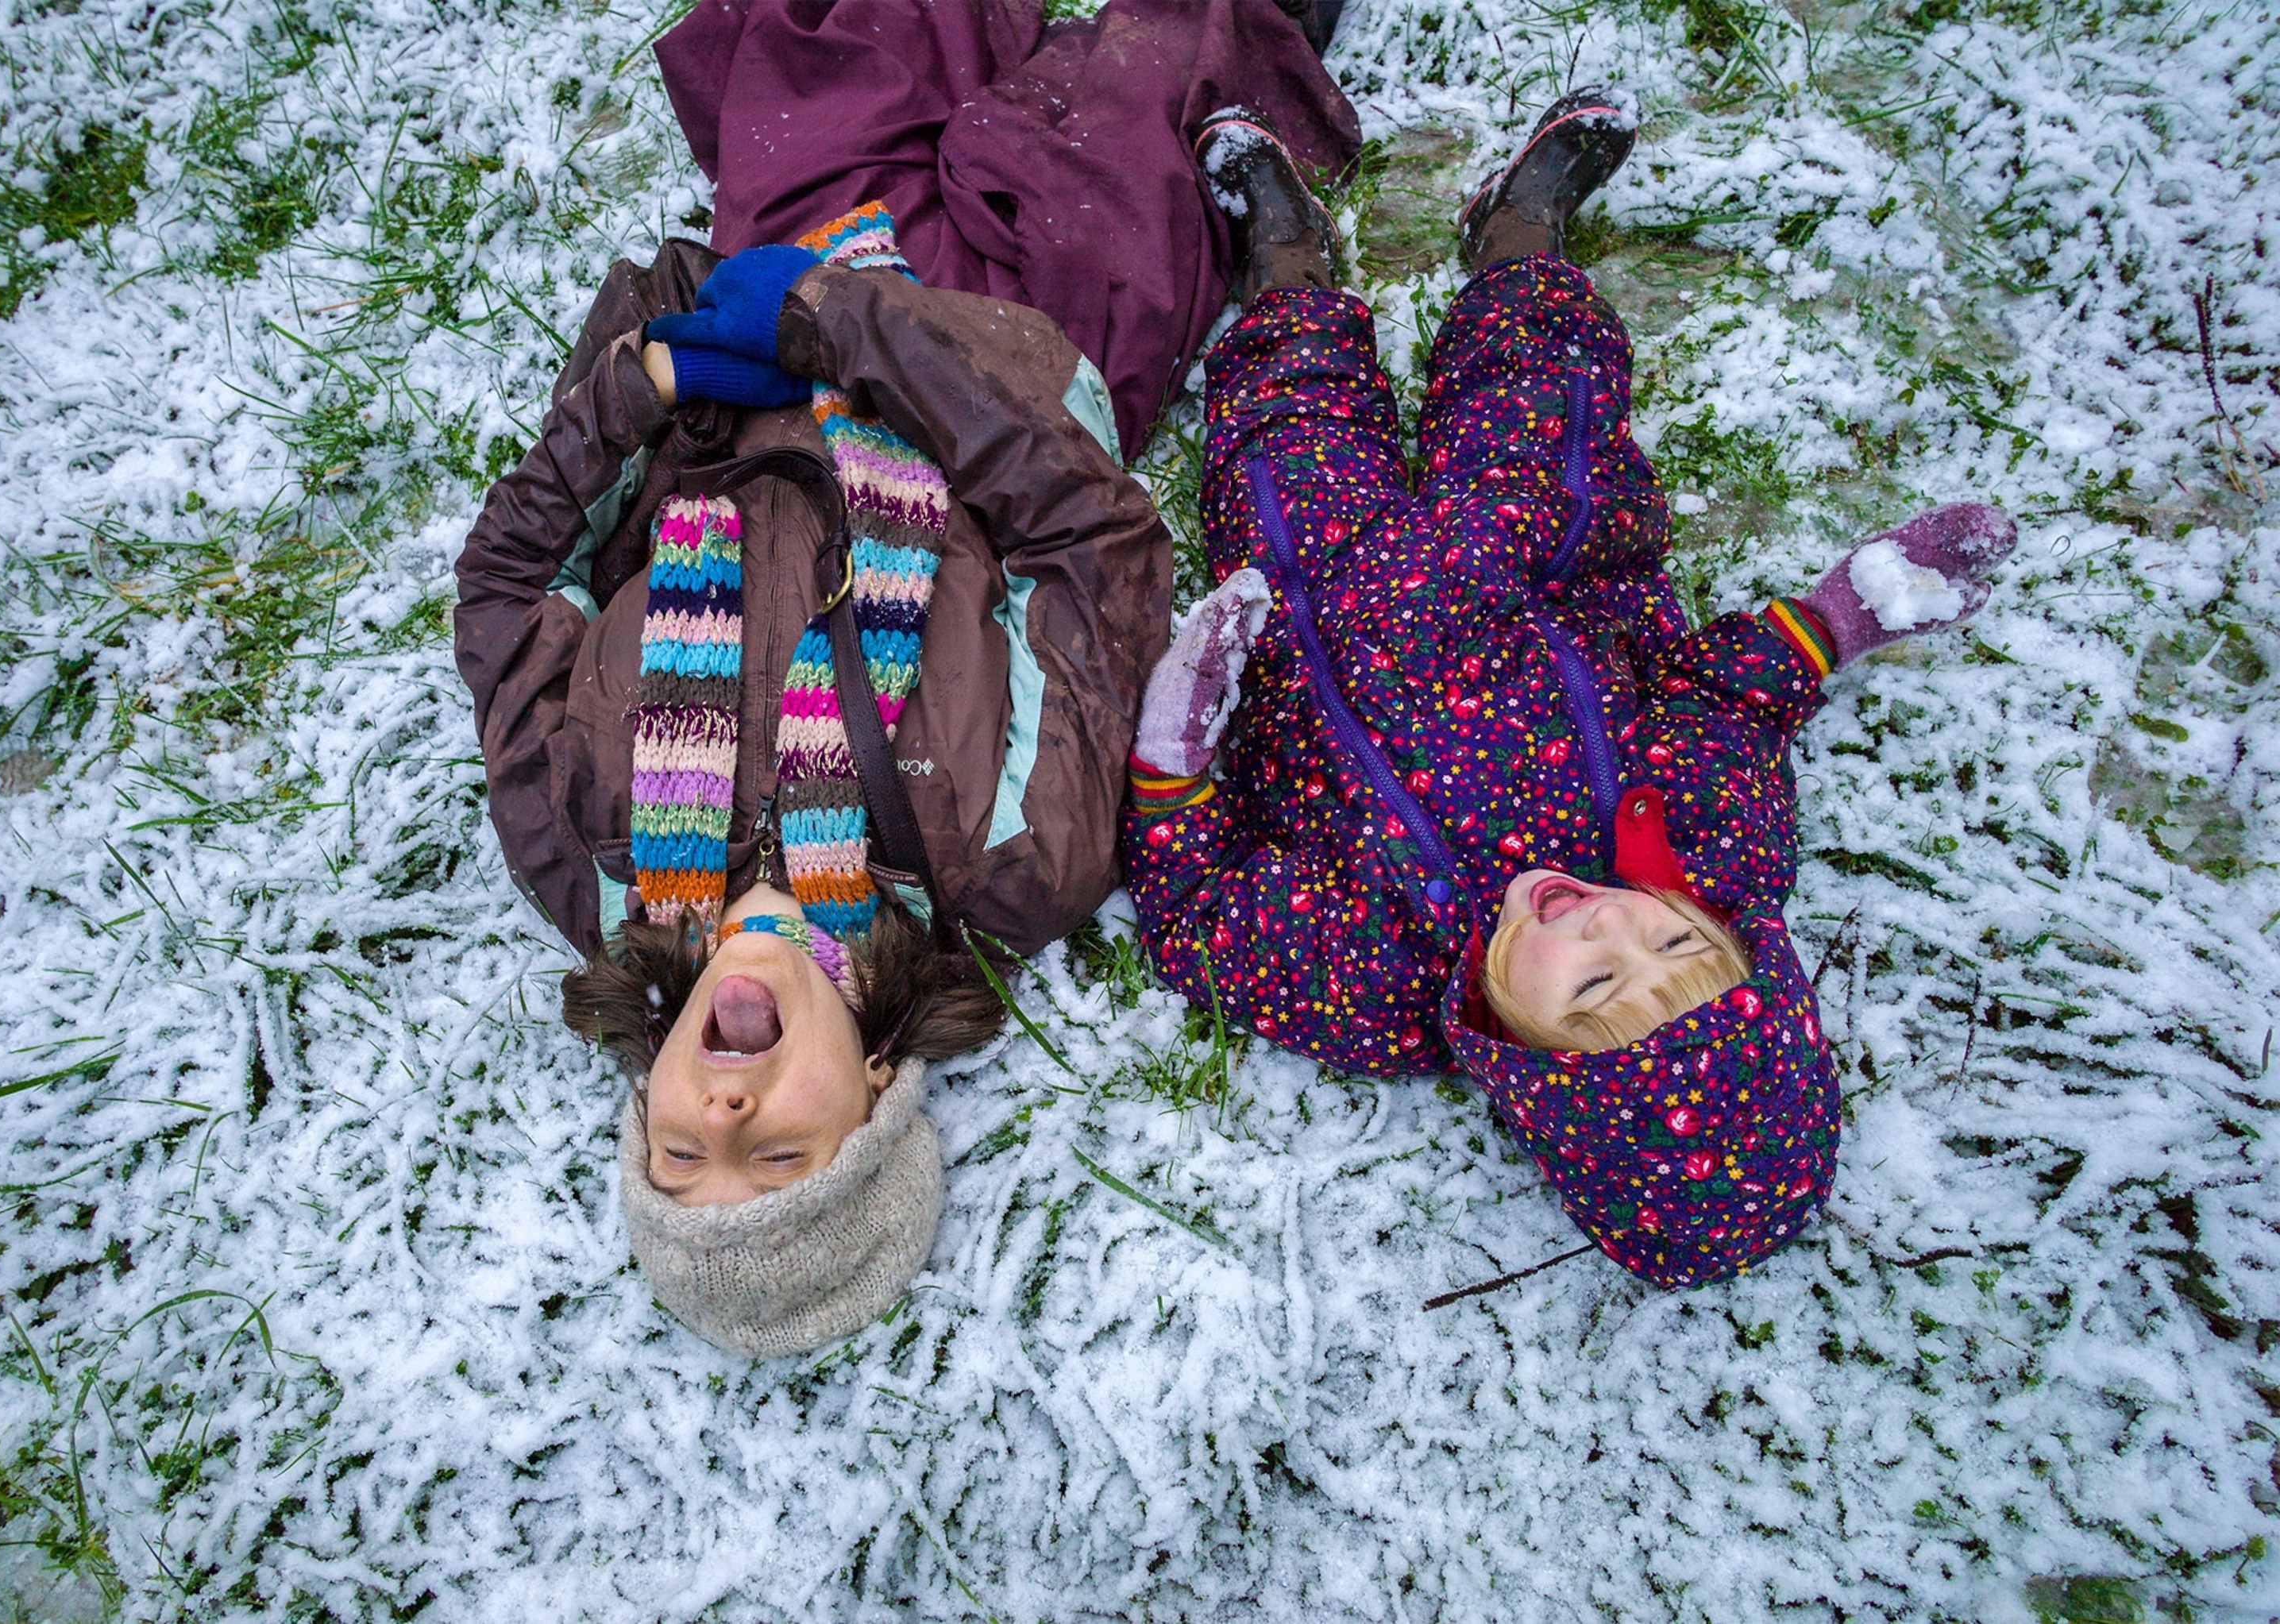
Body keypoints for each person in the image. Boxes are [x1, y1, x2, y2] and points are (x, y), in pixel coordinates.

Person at [453, 0, 1356, 1356]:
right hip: (1018, 335)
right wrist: (862, 336)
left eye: (680, 1160)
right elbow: (1090, 542)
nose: (726, 1121)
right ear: (877, 1090)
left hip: (748, 322)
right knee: (1168, 61)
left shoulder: (578, 852)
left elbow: (515, 589)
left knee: (855, 27)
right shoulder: (1011, 862)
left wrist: (645, 382)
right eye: (778, 1165)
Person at [1122, 91, 2018, 1289]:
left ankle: (1286, 278)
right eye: (1664, 937)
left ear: (1537, 1064)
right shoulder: (1710, 850)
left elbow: (1202, 919)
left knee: (1280, 442)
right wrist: (1838, 618)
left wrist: (1177, 758)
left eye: (1596, 980)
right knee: (1549, 407)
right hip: (1531, 558)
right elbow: (1725, 705)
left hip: (1316, 610)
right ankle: (1517, 243)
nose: (1607, 920)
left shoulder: (1383, 987)